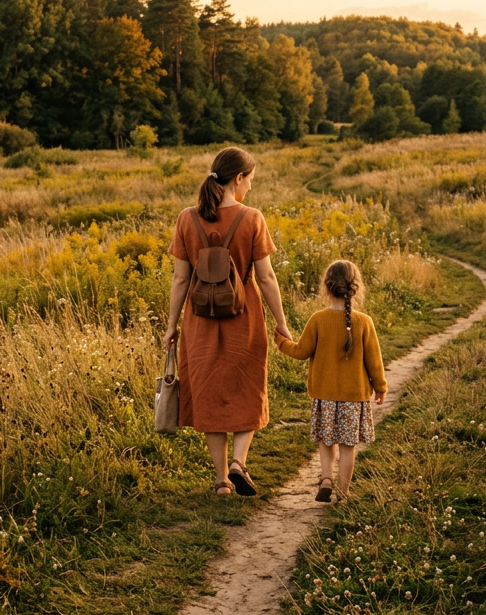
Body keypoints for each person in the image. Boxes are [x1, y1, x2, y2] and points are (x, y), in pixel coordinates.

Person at [163, 147, 292, 496]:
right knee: (248, 386)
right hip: (244, 318)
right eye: (250, 180)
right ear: (238, 178)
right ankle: (239, 463)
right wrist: (282, 322)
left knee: (208, 393)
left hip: (199, 322)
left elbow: (179, 279)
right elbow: (265, 278)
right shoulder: (252, 218)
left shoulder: (186, 218)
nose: (250, 188)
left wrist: (171, 326)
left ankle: (221, 481)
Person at [275, 259, 386, 502]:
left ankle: (326, 478)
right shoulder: (364, 322)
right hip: (354, 397)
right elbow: (374, 361)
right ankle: (343, 493)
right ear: (355, 287)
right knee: (348, 447)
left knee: (327, 441)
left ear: (326, 287)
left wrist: (281, 341)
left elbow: (301, 351)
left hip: (324, 395)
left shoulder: (318, 319)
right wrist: (380, 387)